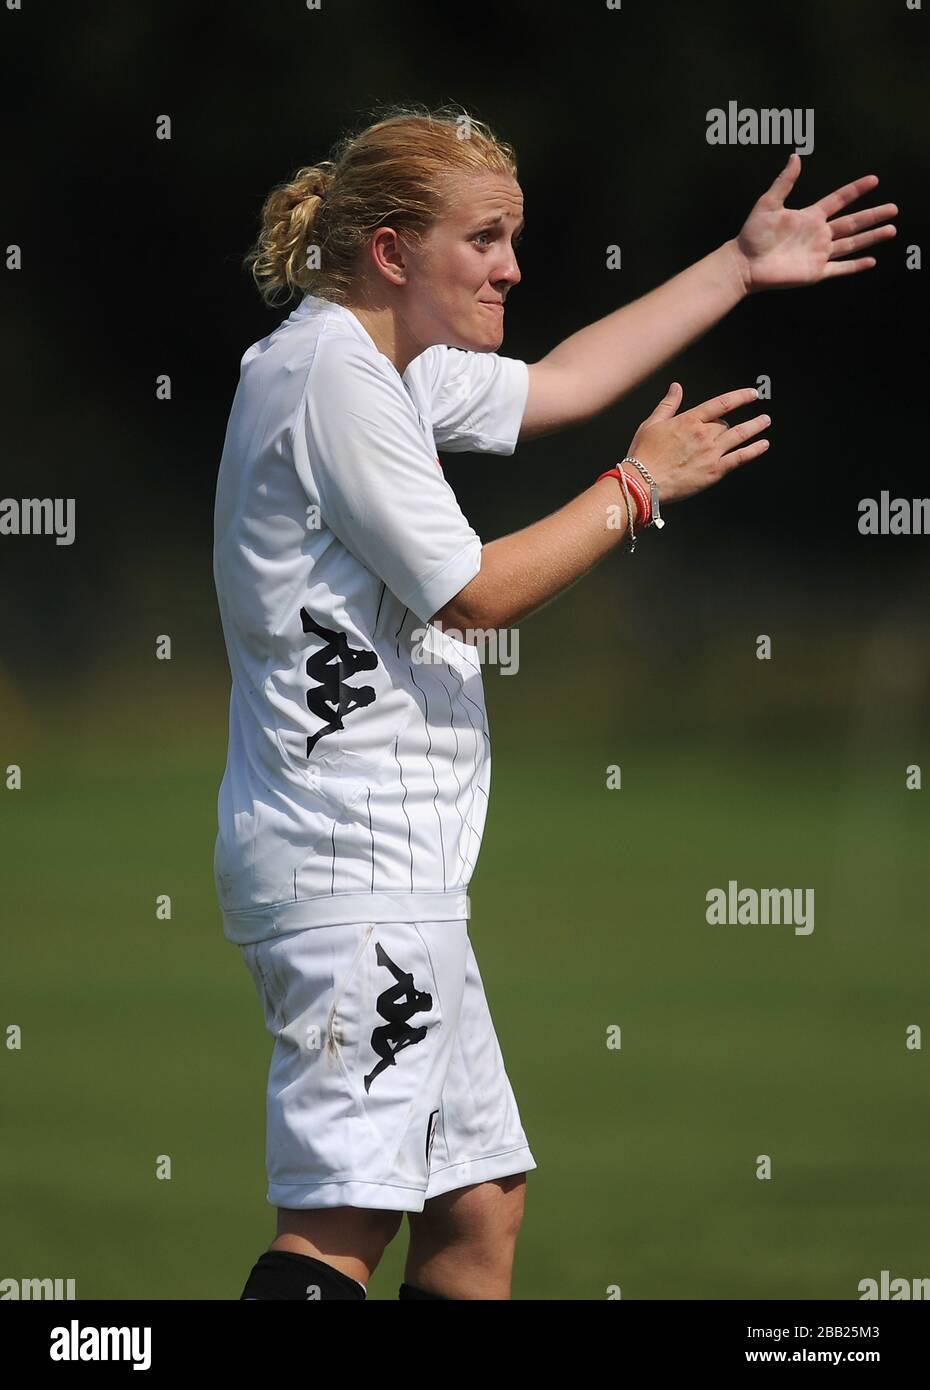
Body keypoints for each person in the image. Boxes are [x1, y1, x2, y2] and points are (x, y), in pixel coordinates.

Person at [213, 102, 897, 1300]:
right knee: (336, 1226)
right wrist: (637, 488)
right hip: (352, 871)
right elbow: (474, 594)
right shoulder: (333, 379)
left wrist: (740, 266)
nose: (512, 265)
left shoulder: (385, 367)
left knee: (479, 1212)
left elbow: (562, 382)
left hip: (391, 870)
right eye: (484, 238)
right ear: (391, 253)